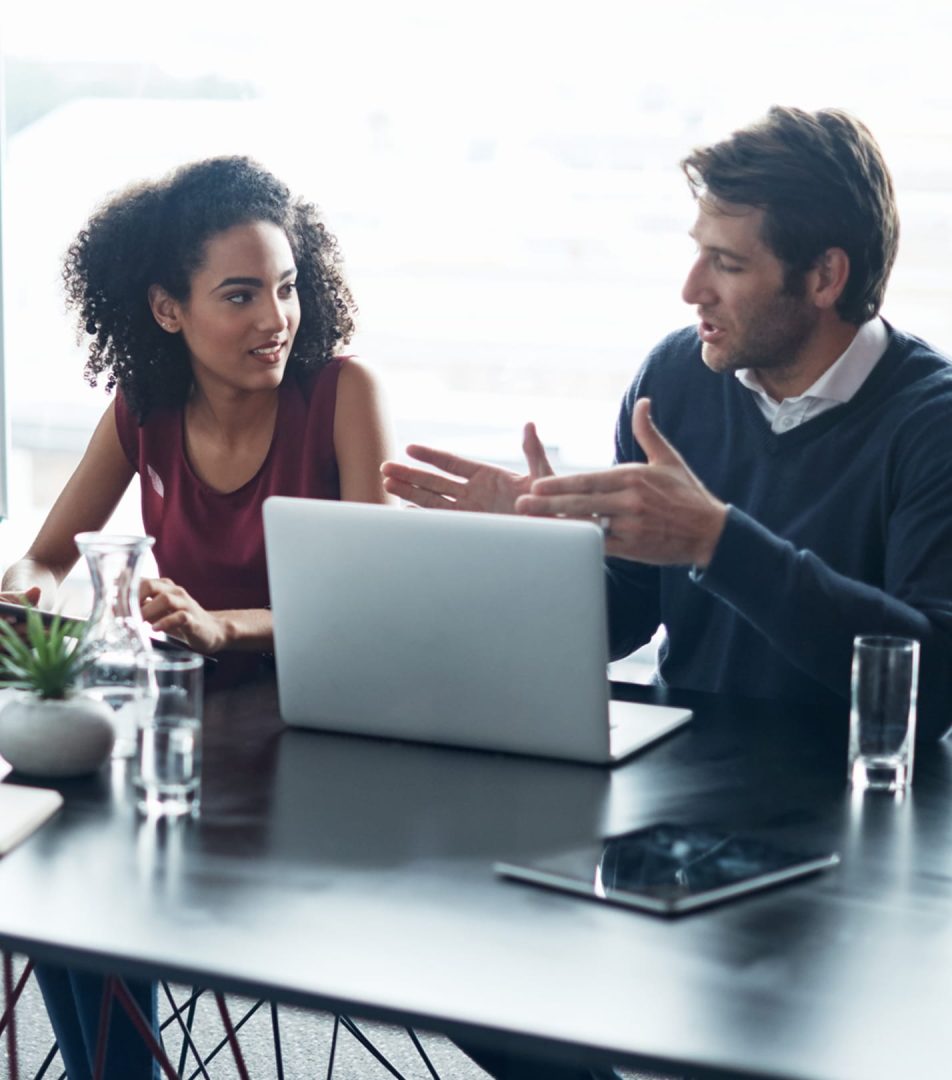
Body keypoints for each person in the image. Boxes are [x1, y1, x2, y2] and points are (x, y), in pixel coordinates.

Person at [382, 105, 952, 1078]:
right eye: (697, 255)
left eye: (725, 263)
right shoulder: (677, 377)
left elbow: (932, 677)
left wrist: (719, 542)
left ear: (824, 277)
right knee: (461, 958)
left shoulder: (928, 423)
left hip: (852, 820)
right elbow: (624, 617)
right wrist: (533, 552)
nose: (691, 289)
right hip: (683, 787)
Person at [1, 155, 392, 1078]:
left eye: (288, 288)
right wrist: (23, 590)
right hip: (185, 732)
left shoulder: (342, 395)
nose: (276, 320)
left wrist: (223, 626)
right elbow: (50, 553)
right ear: (168, 309)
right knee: (61, 862)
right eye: (241, 295)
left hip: (320, 730)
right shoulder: (145, 408)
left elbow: (371, 603)